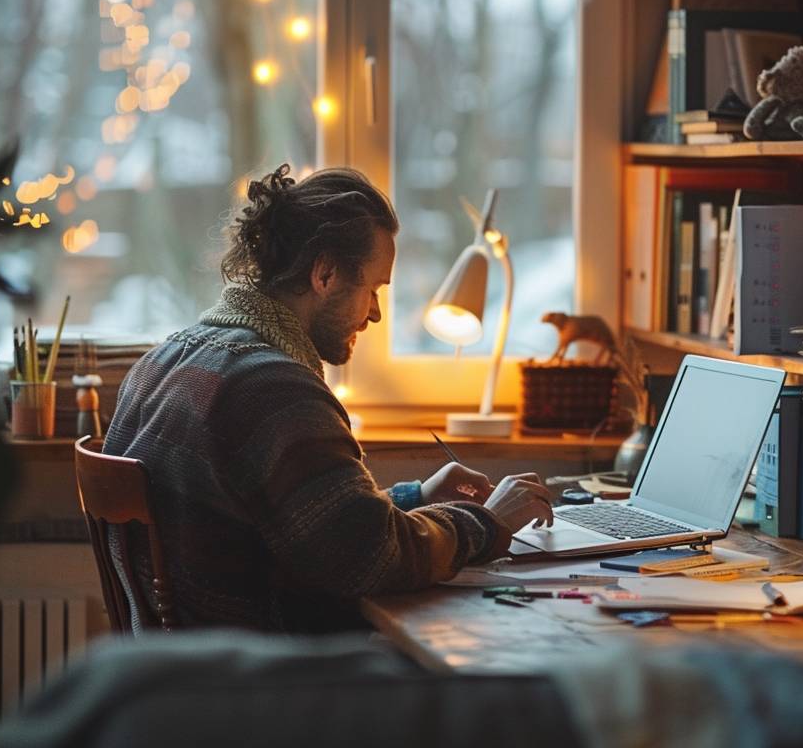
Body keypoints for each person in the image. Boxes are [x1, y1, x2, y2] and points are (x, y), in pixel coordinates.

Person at [103, 163, 553, 633]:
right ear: (325, 274)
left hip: (174, 673)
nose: (376, 314)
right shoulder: (273, 389)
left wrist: (414, 497)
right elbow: (369, 561)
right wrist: (488, 523)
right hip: (265, 679)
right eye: (374, 288)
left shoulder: (164, 359)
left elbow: (313, 529)